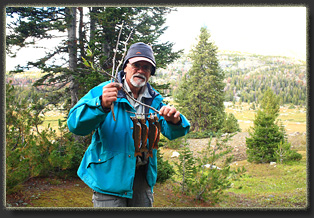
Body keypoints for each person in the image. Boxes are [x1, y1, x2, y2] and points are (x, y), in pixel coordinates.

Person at [67, 42, 190, 207]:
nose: (141, 70)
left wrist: (175, 121)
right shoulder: (105, 90)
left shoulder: (154, 99)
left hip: (142, 178)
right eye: (136, 65)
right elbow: (75, 125)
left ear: (150, 73)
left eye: (146, 67)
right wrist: (101, 104)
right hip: (108, 177)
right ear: (125, 66)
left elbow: (172, 131)